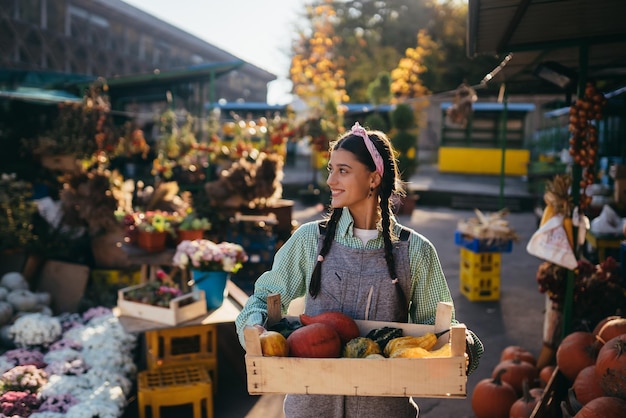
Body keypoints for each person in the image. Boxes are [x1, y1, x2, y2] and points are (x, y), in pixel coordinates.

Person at [235, 122, 483, 418]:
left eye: (343, 170)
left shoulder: (415, 250)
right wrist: (256, 328)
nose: (330, 181)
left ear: (374, 178)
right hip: (310, 409)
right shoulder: (308, 240)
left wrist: (463, 346)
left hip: (385, 410)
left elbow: (438, 330)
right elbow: (262, 298)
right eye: (330, 169)